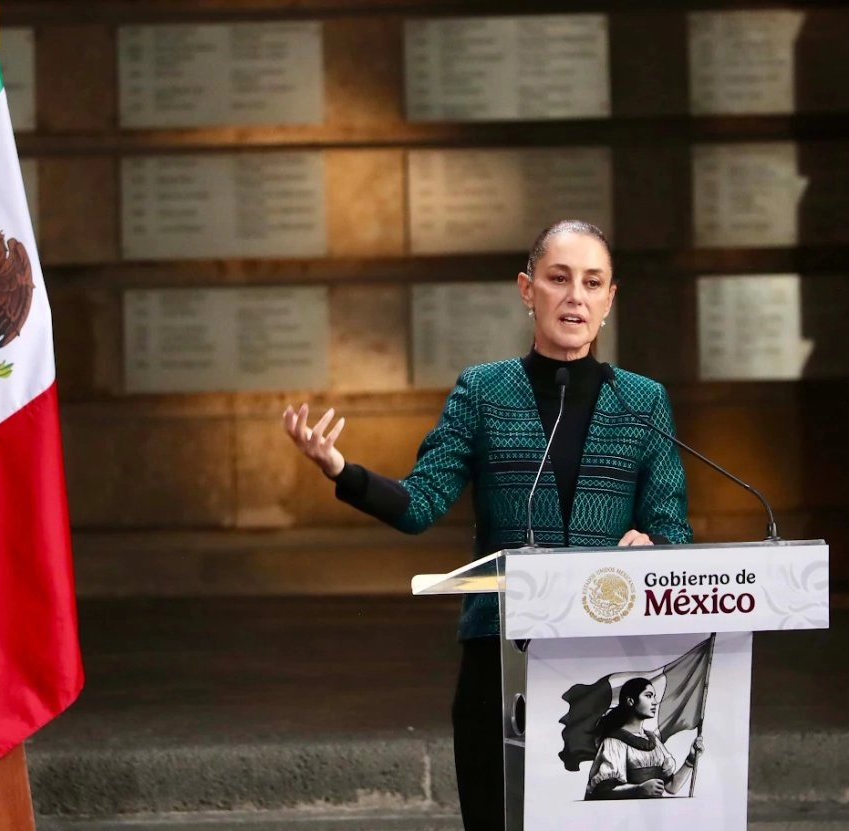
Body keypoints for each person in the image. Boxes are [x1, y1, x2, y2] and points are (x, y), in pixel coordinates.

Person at [281, 218, 693, 830]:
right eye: (558, 279)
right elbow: (420, 503)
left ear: (610, 300)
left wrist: (655, 543)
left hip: (606, 654)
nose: (574, 295)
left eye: (592, 282)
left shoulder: (643, 400)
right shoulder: (484, 391)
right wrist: (343, 470)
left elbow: (672, 528)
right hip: (500, 656)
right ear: (528, 290)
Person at [584, 677, 704, 800]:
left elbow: (671, 787)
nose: (655, 702)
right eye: (648, 696)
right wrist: (638, 789)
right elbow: (603, 792)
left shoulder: (654, 740)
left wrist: (691, 759)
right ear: (630, 701)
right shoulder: (614, 742)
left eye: (654, 696)